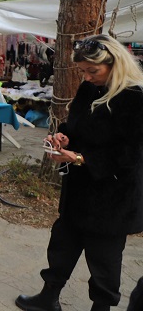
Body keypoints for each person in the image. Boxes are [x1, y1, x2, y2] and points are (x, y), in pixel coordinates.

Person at [16, 34, 143, 311]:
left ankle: (101, 307)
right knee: (62, 244)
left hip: (113, 196)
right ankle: (48, 297)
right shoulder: (89, 90)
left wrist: (81, 157)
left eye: (92, 71)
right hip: (80, 188)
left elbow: (130, 155)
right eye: (83, 71)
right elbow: (76, 126)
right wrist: (62, 138)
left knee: (104, 259)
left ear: (116, 64)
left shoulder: (135, 98)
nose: (86, 77)